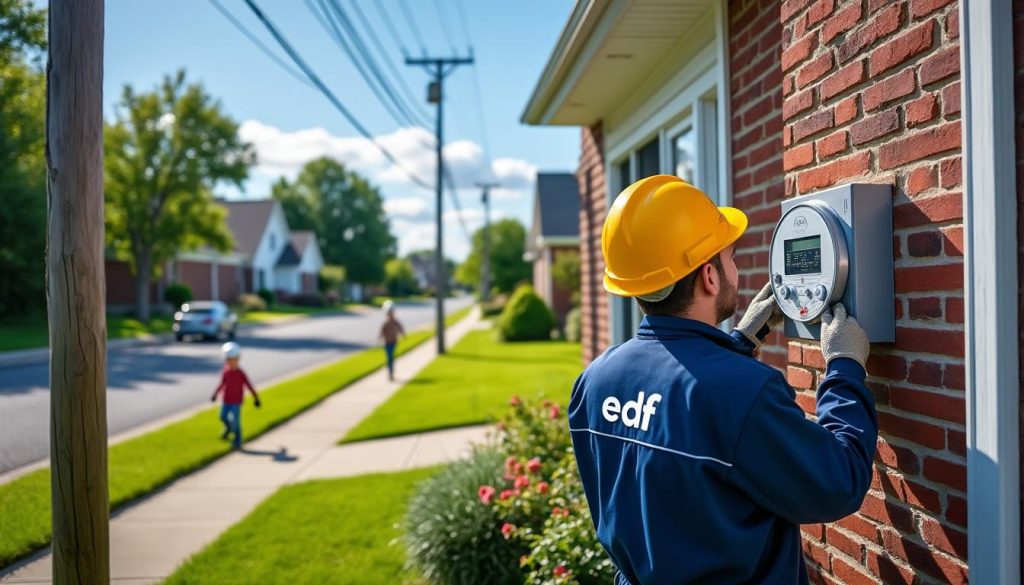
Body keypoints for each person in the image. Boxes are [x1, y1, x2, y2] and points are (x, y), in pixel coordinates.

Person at [568, 175, 877, 585]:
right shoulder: (747, 393)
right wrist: (843, 366)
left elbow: (683, 427)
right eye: (730, 257)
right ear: (710, 276)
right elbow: (839, 483)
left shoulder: (594, 382)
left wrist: (738, 343)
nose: (737, 267)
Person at [211, 341, 261, 449]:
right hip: (226, 400)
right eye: (229, 360)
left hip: (236, 402)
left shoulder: (241, 373)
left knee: (235, 421)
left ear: (238, 359)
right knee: (222, 416)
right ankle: (228, 429)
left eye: (234, 360)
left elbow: (249, 385)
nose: (232, 362)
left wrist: (256, 398)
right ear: (226, 361)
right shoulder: (226, 372)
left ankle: (237, 440)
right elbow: (221, 384)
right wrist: (215, 394)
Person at [379, 300, 405, 381]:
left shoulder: (396, 322)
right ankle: (390, 373)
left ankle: (391, 373)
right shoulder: (385, 323)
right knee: (389, 358)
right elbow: (382, 332)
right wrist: (381, 338)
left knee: (391, 357)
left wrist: (403, 335)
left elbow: (401, 328)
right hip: (387, 343)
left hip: (394, 342)